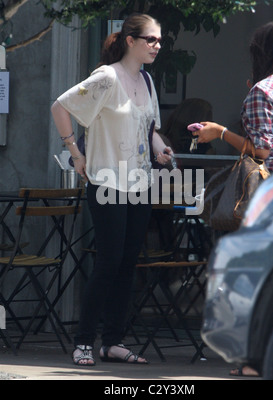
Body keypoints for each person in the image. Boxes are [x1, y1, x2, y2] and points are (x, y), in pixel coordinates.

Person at [51, 13, 173, 366]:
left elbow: (148, 127)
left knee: (127, 263)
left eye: (160, 40)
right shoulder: (106, 77)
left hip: (139, 183)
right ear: (130, 41)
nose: (157, 46)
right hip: (107, 181)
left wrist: (159, 148)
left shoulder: (147, 81)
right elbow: (60, 107)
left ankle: (114, 341)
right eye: (150, 39)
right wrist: (75, 154)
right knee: (109, 261)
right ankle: (85, 341)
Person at [192, 21, 273, 376]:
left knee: (251, 274)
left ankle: (251, 358)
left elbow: (263, 152)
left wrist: (219, 132)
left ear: (261, 52)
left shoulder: (263, 91)